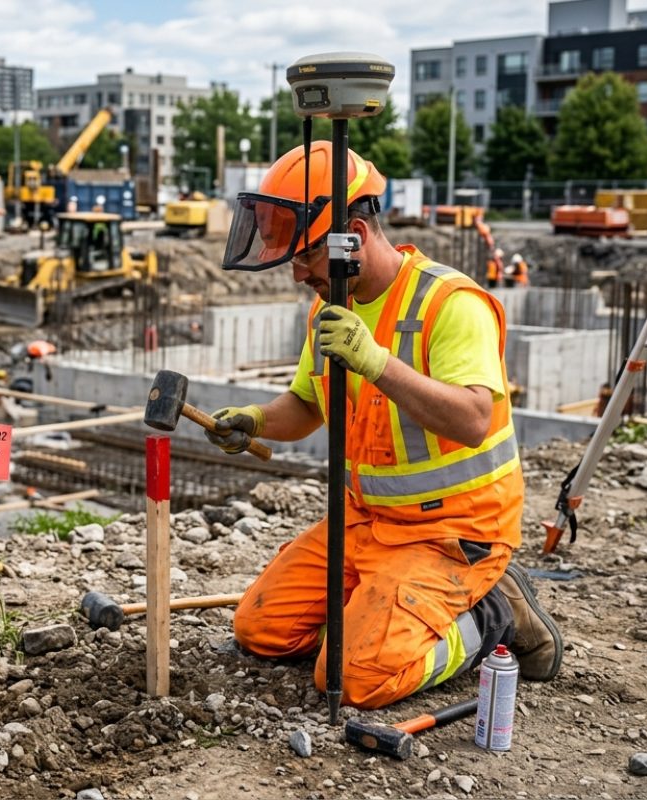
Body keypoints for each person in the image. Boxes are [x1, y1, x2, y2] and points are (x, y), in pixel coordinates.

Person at [210, 141, 562, 709]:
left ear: (353, 234)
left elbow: (474, 419)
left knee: (354, 680)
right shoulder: (329, 309)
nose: (297, 273)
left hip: (454, 533)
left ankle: (493, 614)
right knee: (261, 630)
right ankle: (379, 625)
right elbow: (307, 405)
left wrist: (376, 362)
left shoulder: (450, 303)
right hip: (369, 523)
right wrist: (255, 420)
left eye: (307, 255)